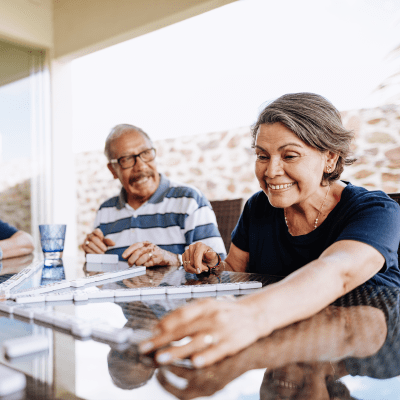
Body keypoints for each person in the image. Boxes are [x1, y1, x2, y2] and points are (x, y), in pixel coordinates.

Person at [137, 92, 400, 368]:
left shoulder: (375, 211)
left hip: (365, 348)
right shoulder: (259, 207)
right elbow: (234, 270)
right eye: (262, 155)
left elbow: (338, 273)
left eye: (289, 155)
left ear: (330, 159)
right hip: (280, 346)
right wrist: (213, 265)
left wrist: (250, 316)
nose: (271, 171)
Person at [82, 124, 226, 267]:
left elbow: (218, 267)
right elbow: (102, 276)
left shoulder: (189, 200)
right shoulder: (105, 210)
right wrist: (94, 257)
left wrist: (172, 259)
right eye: (126, 159)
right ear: (113, 170)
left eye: (146, 153)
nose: (141, 166)